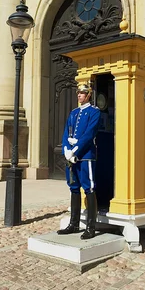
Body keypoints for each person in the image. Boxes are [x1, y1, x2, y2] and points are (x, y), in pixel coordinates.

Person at [58, 83, 101, 240]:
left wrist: (75, 151)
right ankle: (73, 224)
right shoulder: (73, 113)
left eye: (82, 93)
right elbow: (66, 133)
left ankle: (91, 227)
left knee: (89, 188)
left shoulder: (94, 112)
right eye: (78, 93)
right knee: (74, 187)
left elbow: (89, 134)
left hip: (86, 155)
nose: (79, 95)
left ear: (88, 95)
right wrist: (66, 150)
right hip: (72, 156)